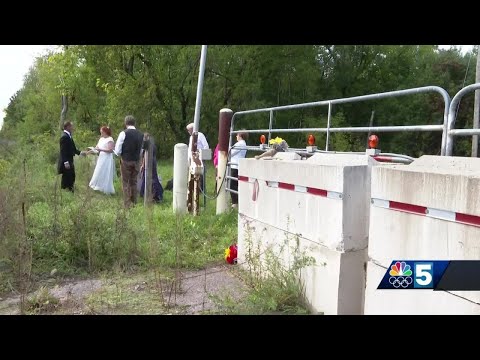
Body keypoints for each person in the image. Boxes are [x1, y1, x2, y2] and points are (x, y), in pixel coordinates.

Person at [114, 115, 144, 208]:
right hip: (136, 160)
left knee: (125, 182)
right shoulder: (140, 134)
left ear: (125, 123)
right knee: (134, 182)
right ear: (134, 123)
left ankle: (127, 204)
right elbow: (142, 149)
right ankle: (134, 201)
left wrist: (119, 154)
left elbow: (118, 149)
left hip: (126, 160)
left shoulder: (123, 133)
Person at [57, 121, 86, 192]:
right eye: (71, 126)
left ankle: (70, 189)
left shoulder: (69, 136)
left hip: (70, 159)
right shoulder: (64, 137)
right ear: (67, 127)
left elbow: (73, 149)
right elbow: (63, 151)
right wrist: (66, 162)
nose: (72, 128)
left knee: (71, 175)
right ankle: (66, 190)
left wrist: (81, 153)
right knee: (67, 176)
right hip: (66, 160)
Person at [86, 126, 116, 194]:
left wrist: (101, 150)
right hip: (101, 157)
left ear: (105, 132)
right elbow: (97, 148)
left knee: (105, 172)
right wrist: (90, 151)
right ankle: (97, 186)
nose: (101, 133)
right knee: (98, 171)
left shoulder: (110, 139)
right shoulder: (101, 139)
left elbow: (110, 150)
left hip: (107, 158)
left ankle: (105, 188)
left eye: (102, 132)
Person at [138, 133, 164, 203]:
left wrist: (143, 165)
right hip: (152, 162)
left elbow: (145, 156)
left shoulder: (146, 145)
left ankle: (154, 194)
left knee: (150, 178)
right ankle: (154, 193)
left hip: (148, 162)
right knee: (152, 177)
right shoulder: (153, 145)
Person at [186, 122, 209, 191]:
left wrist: (199, 153)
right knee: (193, 173)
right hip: (192, 158)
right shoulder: (191, 137)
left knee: (200, 173)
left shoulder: (200, 135)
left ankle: (201, 189)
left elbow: (206, 146)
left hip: (199, 158)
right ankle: (194, 188)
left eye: (189, 130)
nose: (188, 131)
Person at [229, 131, 248, 209]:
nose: (236, 136)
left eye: (237, 135)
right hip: (238, 165)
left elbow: (230, 153)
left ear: (240, 135)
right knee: (236, 184)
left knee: (232, 185)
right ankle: (237, 201)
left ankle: (235, 202)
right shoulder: (243, 143)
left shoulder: (239, 144)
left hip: (234, 166)